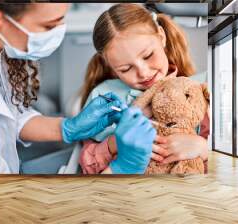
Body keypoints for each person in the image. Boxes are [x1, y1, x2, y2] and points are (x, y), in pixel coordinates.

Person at [0, 3, 156, 174]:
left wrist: (68, 128)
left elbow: (13, 118)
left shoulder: (2, 57)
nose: (143, 73)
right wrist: (123, 169)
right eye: (49, 26)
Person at [78, 3, 210, 174]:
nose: (143, 72)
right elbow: (87, 163)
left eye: (148, 56)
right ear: (111, 66)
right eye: (126, 69)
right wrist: (115, 143)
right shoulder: (104, 98)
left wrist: (203, 148)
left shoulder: (195, 91)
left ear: (161, 37)